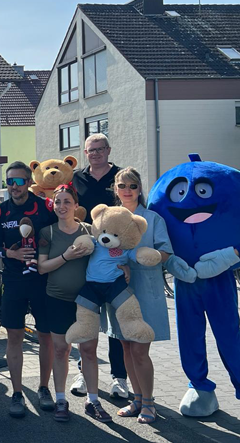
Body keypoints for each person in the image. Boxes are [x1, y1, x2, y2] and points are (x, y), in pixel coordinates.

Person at [105, 167, 173, 424]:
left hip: (146, 289)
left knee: (140, 350)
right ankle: (136, 399)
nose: (127, 190)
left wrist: (148, 258)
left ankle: (149, 403)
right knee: (125, 346)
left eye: (132, 186)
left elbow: (166, 252)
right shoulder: (110, 218)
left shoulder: (154, 219)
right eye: (122, 185)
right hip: (117, 289)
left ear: (140, 188)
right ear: (115, 189)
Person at [0, 161, 57, 417]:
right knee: (14, 337)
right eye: (10, 182)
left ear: (29, 182)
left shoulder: (45, 207)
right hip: (14, 281)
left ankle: (43, 388)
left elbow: (59, 236)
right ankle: (17, 393)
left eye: (19, 181)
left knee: (45, 336)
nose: (14, 187)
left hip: (42, 281)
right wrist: (11, 254)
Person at [71, 133, 128, 399]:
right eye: (90, 150)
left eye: (100, 149)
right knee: (87, 318)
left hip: (116, 256)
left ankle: (119, 378)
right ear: (85, 153)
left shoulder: (120, 177)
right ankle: (83, 372)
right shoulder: (76, 178)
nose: (95, 153)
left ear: (108, 149)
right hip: (86, 256)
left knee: (117, 322)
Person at [37, 184, 93, 422]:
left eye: (67, 202)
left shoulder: (89, 230)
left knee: (88, 350)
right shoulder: (47, 233)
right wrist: (65, 257)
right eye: (57, 202)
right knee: (61, 349)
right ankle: (61, 399)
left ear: (76, 206)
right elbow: (42, 268)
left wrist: (121, 266)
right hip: (57, 299)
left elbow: (105, 260)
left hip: (85, 301)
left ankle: (93, 400)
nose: (61, 206)